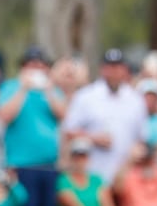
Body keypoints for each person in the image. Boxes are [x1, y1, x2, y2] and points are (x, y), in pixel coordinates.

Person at [0, 46, 66, 206]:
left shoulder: (52, 91)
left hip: (48, 164)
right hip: (21, 163)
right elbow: (5, 115)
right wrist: (23, 89)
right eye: (31, 65)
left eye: (41, 65)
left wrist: (48, 89)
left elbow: (62, 114)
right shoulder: (11, 87)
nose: (36, 69)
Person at [62, 48, 147, 184]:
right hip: (93, 176)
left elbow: (142, 137)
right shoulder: (86, 96)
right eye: (110, 67)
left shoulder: (135, 100)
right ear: (103, 69)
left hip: (125, 178)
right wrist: (93, 138)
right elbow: (68, 131)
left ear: (124, 70)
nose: (114, 72)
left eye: (118, 67)